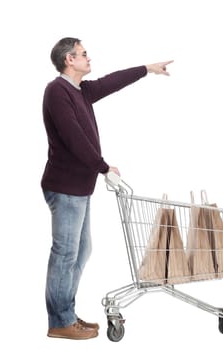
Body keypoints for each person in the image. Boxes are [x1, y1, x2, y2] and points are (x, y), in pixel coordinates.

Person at [41, 37, 173, 340]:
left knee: (81, 250)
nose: (89, 58)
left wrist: (146, 69)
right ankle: (60, 320)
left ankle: (66, 313)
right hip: (64, 186)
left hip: (79, 188)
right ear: (68, 60)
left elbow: (111, 82)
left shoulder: (81, 91)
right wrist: (103, 167)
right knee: (65, 253)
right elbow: (74, 138)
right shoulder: (57, 91)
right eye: (84, 54)